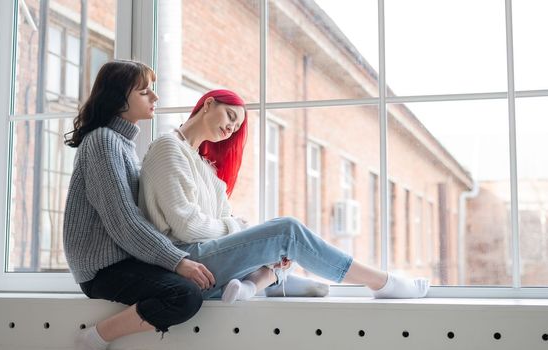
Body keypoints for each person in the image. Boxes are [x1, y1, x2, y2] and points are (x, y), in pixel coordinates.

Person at [139, 89, 430, 303]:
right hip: (185, 261)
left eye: (236, 127)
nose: (230, 128)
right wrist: (240, 230)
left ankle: (260, 283)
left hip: (207, 254)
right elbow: (188, 226)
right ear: (208, 104)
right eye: (230, 117)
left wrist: (242, 231)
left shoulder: (205, 166)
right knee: (287, 232)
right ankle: (382, 282)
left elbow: (223, 218)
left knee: (281, 246)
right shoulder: (168, 147)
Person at [63, 60, 212, 350]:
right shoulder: (103, 142)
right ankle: (94, 338)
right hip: (101, 270)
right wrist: (177, 261)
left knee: (205, 277)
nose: (154, 97)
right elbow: (123, 222)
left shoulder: (123, 144)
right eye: (144, 92)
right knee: (186, 295)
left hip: (124, 259)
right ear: (118, 98)